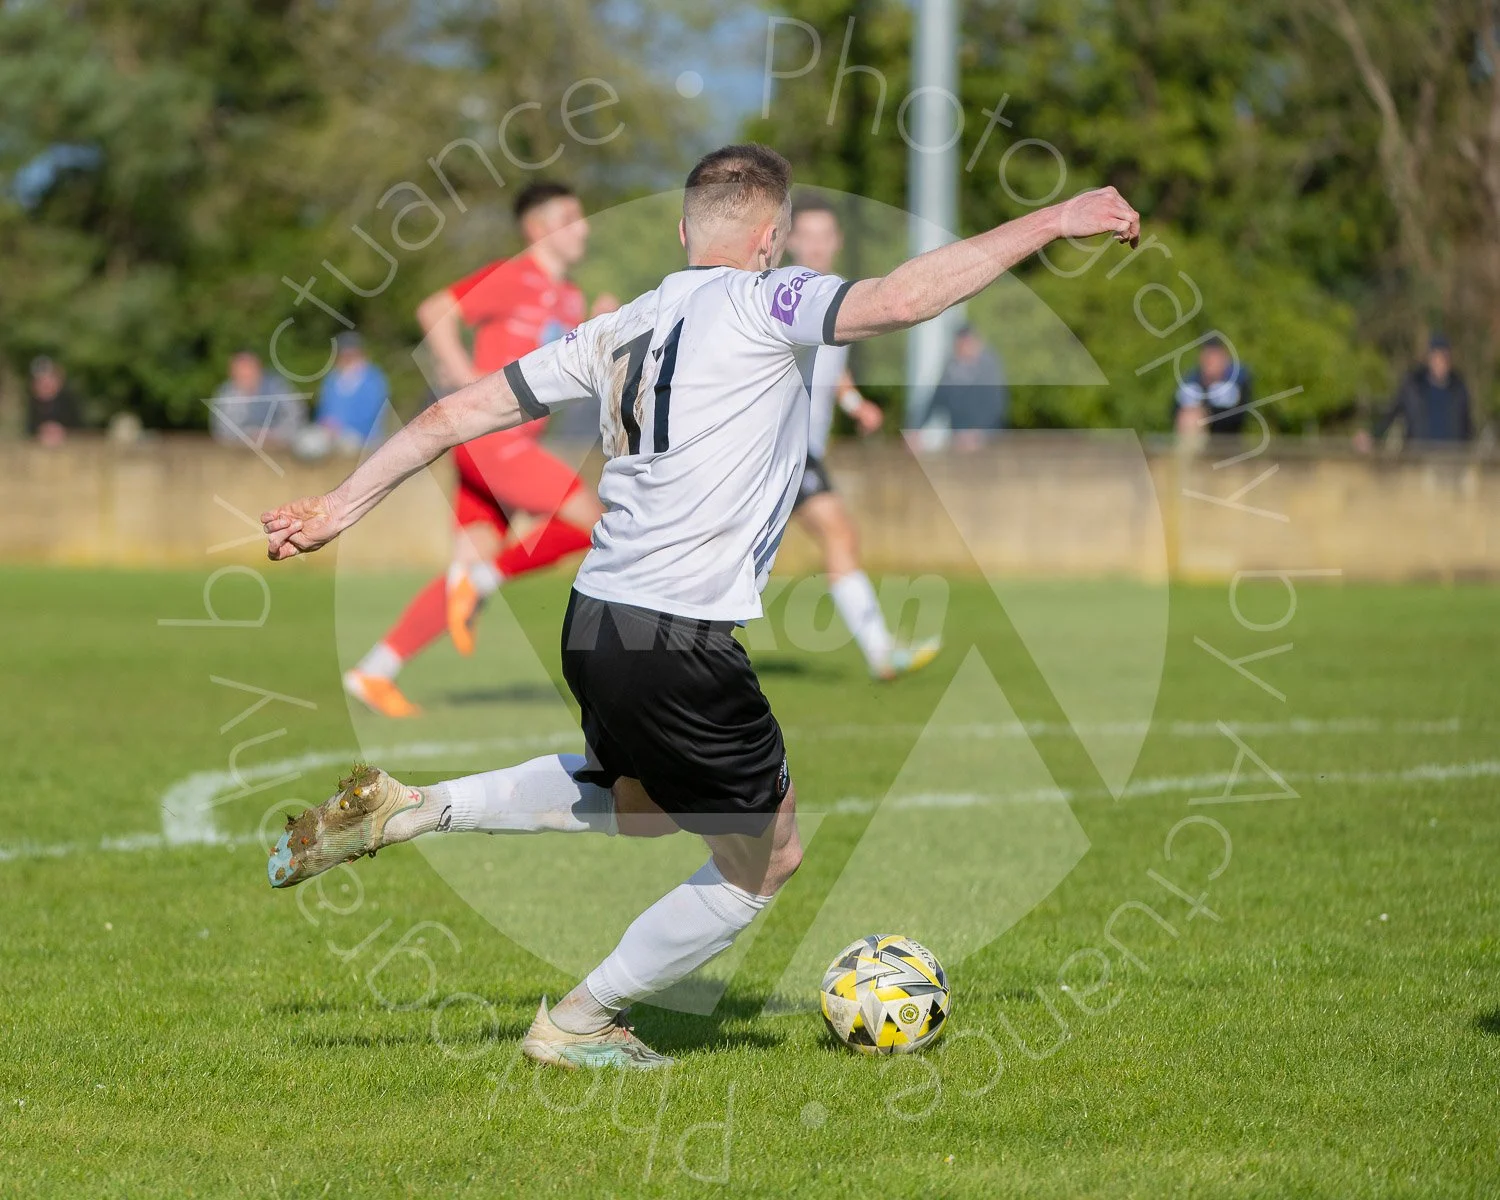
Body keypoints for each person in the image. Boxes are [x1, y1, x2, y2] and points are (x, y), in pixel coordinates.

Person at [260, 144, 1140, 1070]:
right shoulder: (771, 299)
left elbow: (451, 415)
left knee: (640, 801)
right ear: (771, 239)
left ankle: (413, 809)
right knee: (767, 858)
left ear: (683, 232)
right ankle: (578, 1021)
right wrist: (1051, 220)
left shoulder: (618, 327)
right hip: (678, 638)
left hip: (593, 618)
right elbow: (901, 299)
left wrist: (335, 509)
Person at [342, 182, 610, 719]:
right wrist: (464, 378)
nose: (583, 227)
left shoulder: (570, 296)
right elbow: (434, 309)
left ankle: (375, 669)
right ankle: (484, 580)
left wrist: (600, 325)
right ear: (537, 228)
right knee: (594, 522)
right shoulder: (513, 275)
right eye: (570, 217)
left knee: (464, 570)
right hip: (493, 441)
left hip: (503, 447)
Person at [784, 195, 938, 680]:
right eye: (805, 235)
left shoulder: (838, 298)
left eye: (823, 236)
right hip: (778, 450)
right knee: (837, 533)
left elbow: (835, 372)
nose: (815, 245)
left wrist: (855, 405)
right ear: (789, 241)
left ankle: (880, 649)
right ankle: (879, 650)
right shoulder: (782, 298)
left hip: (802, 450)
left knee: (823, 538)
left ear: (837, 242)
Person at [1357, 334, 1474, 450]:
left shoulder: (1459, 389)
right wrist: (1372, 435)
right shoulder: (1413, 387)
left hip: (1452, 459)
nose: (1440, 362)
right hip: (1419, 458)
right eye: (1436, 357)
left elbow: (1467, 426)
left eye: (1444, 357)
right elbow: (1390, 414)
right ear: (1429, 358)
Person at [926, 324, 1009, 450]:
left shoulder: (989, 365)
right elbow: (937, 399)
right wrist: (918, 429)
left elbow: (995, 404)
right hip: (959, 436)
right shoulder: (952, 366)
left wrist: (977, 432)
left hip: (986, 438)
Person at [209, 350, 305, 446]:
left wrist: (274, 435)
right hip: (240, 449)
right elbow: (222, 430)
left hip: (282, 445)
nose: (246, 376)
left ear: (260, 369)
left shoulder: (278, 387)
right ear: (232, 373)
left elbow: (297, 417)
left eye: (249, 369)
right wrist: (251, 435)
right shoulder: (226, 393)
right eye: (240, 372)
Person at [314, 332, 389, 451]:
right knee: (308, 443)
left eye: (351, 354)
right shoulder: (332, 378)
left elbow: (372, 413)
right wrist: (326, 424)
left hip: (362, 436)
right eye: (344, 354)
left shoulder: (373, 379)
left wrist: (341, 428)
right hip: (328, 433)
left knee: (346, 446)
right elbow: (322, 408)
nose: (347, 358)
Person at [26, 357, 84, 446]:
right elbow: (29, 431)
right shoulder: (33, 404)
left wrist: (63, 432)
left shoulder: (69, 400)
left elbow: (81, 429)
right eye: (40, 381)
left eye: (49, 379)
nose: (45, 384)